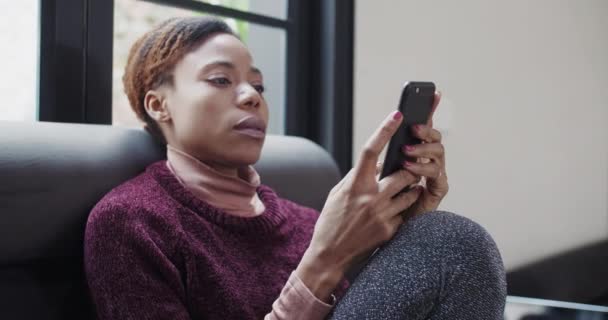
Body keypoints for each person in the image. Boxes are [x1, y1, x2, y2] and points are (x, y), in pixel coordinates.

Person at [84, 16, 506, 320]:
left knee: (443, 238)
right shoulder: (131, 222)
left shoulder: (306, 222)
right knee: (453, 240)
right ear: (159, 104)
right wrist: (322, 263)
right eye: (220, 80)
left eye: (259, 85)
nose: (252, 96)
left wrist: (405, 237)